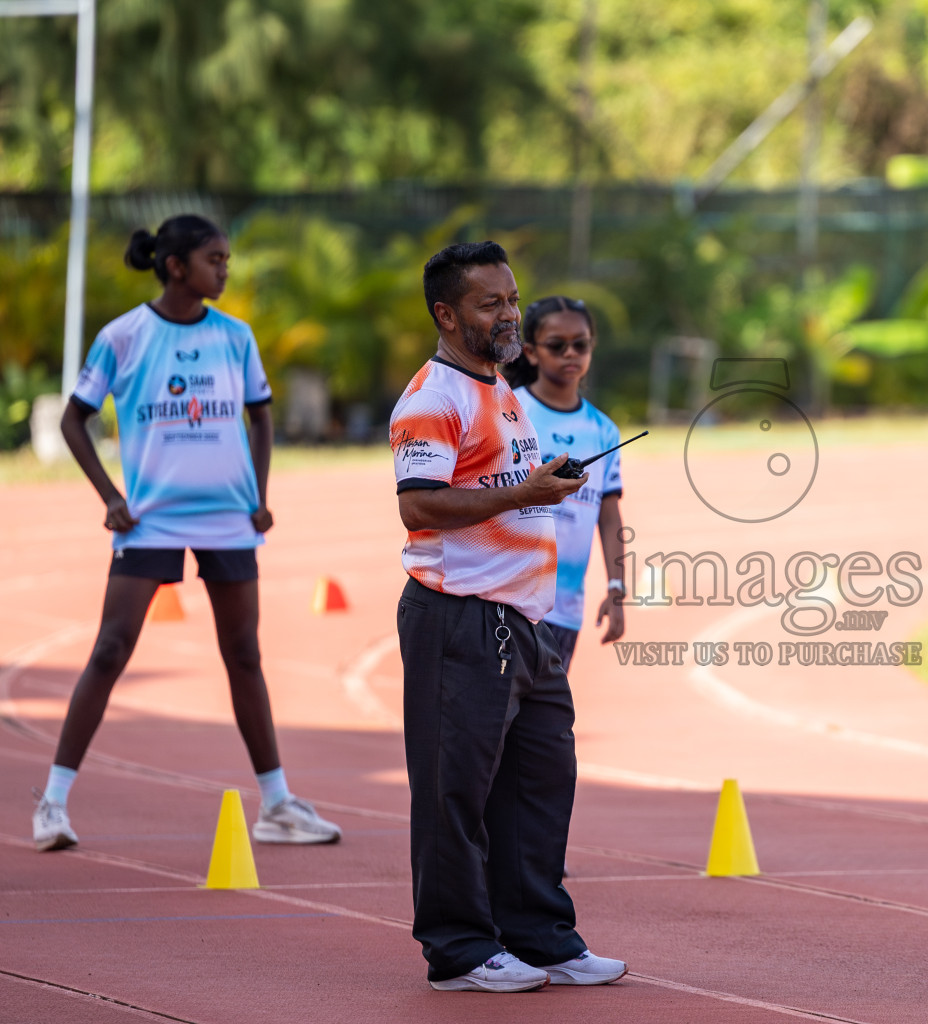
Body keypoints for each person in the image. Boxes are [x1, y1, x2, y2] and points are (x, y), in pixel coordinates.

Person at [31, 215, 341, 853]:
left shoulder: (236, 337)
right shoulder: (124, 336)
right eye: (214, 259)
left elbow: (261, 417)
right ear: (176, 266)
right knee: (111, 648)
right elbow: (72, 419)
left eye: (226, 259)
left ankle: (278, 804)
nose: (225, 270)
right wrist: (112, 497)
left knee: (245, 655)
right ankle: (52, 803)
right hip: (152, 518)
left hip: (229, 519)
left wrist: (258, 496)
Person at [389, 241, 628, 993]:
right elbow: (419, 503)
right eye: (492, 303)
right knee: (454, 789)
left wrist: (533, 486)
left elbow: (501, 479)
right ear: (446, 312)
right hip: (460, 620)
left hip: (528, 623)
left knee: (540, 781)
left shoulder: (501, 391)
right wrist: (525, 495)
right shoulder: (434, 397)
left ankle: (540, 934)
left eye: (512, 298)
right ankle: (459, 950)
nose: (509, 314)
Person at [505, 296, 627, 671]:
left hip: (565, 611)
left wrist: (616, 590)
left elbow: (609, 518)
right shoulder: (508, 411)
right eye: (557, 345)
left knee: (545, 727)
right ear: (531, 352)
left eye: (582, 343)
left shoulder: (604, 431)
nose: (571, 353)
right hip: (507, 601)